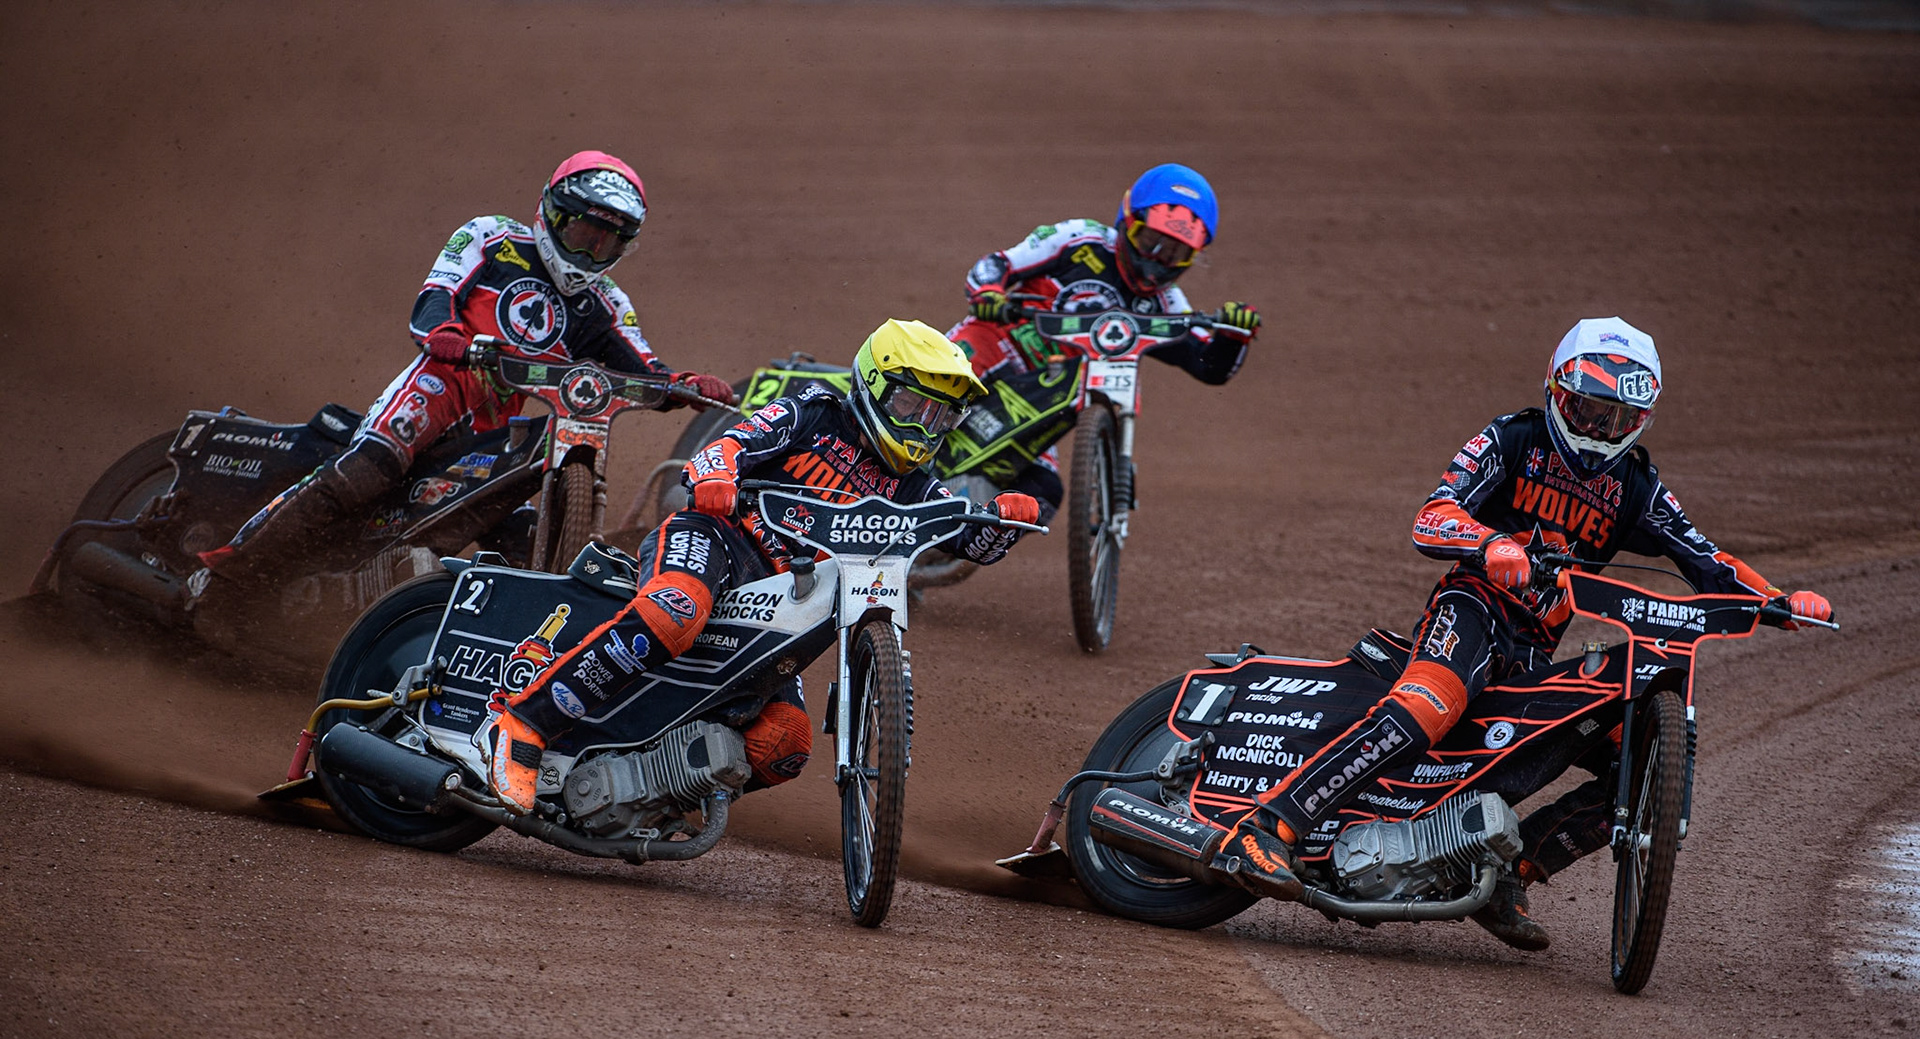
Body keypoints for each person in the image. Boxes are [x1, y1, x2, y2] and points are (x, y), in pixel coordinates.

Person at [1224, 317, 1834, 949]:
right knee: (1430, 705)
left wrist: (1779, 601)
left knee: (1641, 753)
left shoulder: (1637, 486)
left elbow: (1707, 560)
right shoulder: (1512, 438)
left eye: (1618, 419)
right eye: (1589, 410)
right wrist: (1489, 543)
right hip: (1472, 608)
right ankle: (1269, 828)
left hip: (1533, 649)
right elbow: (1432, 516)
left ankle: (1514, 871)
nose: (1600, 432)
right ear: (1557, 389)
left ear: (1642, 421)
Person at [479, 319, 1043, 814]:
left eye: (938, 416)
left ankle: (656, 788)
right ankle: (524, 724)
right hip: (719, 539)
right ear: (874, 385)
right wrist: (718, 478)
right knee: (674, 612)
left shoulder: (916, 484)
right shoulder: (813, 413)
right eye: (911, 406)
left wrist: (1001, 521)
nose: (922, 427)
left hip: (783, 600)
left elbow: (969, 542)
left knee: (786, 745)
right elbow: (722, 449)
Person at [199, 150, 737, 586]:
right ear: (551, 213)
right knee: (372, 465)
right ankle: (233, 567)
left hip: (499, 423)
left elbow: (643, 368)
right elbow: (435, 298)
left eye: (609, 242)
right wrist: (448, 336)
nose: (592, 253)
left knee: (518, 531)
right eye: (583, 235)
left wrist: (684, 386)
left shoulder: (607, 303)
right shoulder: (492, 238)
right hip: (443, 383)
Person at [944, 163, 1261, 520]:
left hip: (1046, 395)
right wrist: (989, 293)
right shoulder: (1080, 239)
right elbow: (995, 265)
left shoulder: (1167, 305)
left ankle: (962, 544)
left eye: (1173, 254)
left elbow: (1211, 366)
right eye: (1149, 242)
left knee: (1044, 493)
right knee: (930, 386)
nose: (1155, 263)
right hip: (993, 348)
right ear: (1126, 221)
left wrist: (1234, 335)